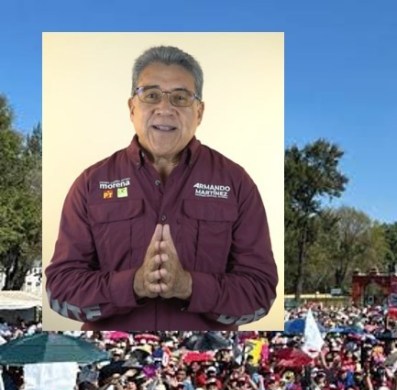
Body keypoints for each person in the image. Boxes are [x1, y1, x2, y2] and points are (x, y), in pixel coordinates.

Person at [45, 44, 277, 331]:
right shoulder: (91, 184)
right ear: (132, 107)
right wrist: (133, 284)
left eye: (180, 98)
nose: (165, 108)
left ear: (199, 112)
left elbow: (260, 291)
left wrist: (189, 286)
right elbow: (59, 289)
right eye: (151, 95)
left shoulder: (237, 183)